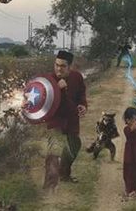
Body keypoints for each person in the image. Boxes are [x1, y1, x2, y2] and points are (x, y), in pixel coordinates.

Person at [42, 50, 88, 182]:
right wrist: (57, 88)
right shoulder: (49, 80)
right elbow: (44, 99)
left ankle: (64, 174)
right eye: (56, 65)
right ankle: (50, 184)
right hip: (56, 119)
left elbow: (82, 94)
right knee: (54, 150)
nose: (58, 69)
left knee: (75, 145)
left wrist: (83, 105)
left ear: (70, 67)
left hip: (72, 119)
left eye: (62, 66)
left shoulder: (77, 77)